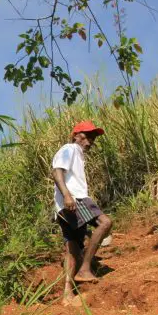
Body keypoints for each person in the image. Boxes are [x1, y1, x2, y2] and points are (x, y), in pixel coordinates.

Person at [51, 120, 113, 302]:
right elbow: (56, 172)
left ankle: (67, 294)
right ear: (75, 136)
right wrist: (67, 195)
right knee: (105, 223)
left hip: (63, 207)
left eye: (92, 138)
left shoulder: (76, 154)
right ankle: (85, 269)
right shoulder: (69, 149)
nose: (89, 141)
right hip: (75, 200)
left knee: (72, 248)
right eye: (86, 136)